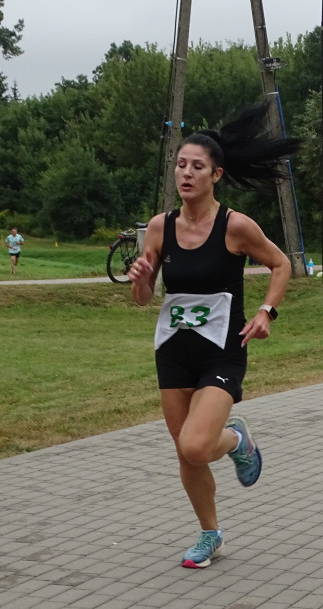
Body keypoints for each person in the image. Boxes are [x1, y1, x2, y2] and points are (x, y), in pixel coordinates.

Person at [128, 101, 298, 570]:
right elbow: (144, 300)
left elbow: (282, 264)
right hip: (173, 351)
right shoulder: (161, 227)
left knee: (197, 444)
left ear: (216, 175)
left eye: (196, 166)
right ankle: (210, 535)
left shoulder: (235, 226)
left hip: (221, 353)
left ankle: (238, 440)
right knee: (186, 451)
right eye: (181, 165)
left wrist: (266, 311)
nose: (186, 173)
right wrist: (141, 276)